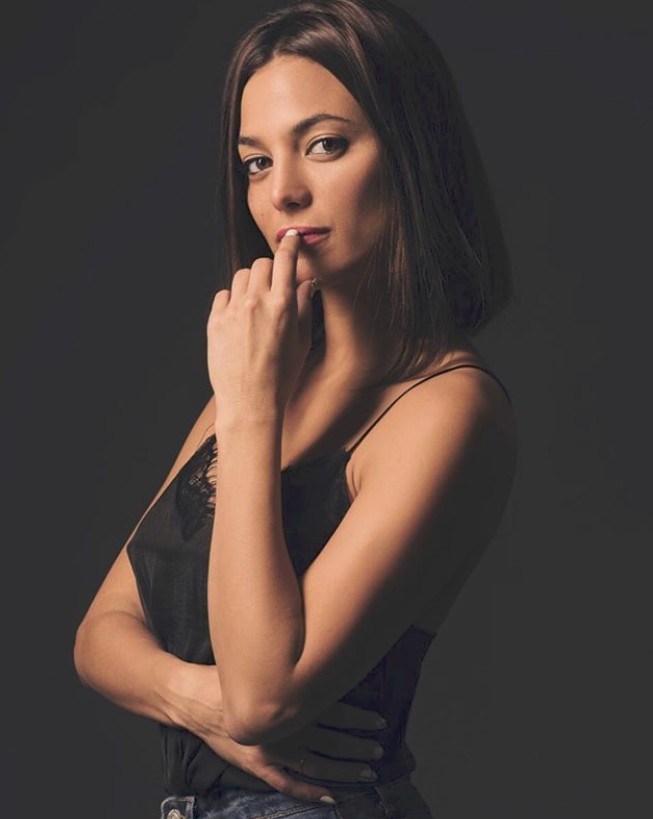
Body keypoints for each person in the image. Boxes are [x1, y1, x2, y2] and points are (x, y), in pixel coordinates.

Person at [73, 0, 518, 817]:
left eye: (324, 145)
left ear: (411, 154)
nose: (282, 192)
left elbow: (264, 697)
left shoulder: (446, 407)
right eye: (254, 162)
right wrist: (200, 702)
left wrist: (249, 408)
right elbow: (100, 632)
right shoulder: (258, 382)